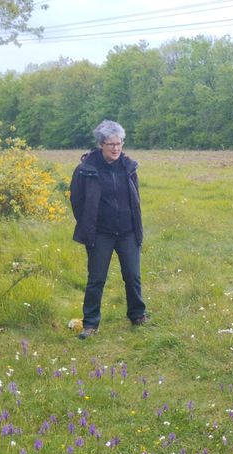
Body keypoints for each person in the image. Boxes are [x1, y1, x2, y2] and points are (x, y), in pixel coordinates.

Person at [69, 119, 149, 340]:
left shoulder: (128, 166)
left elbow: (136, 199)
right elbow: (77, 200)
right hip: (100, 234)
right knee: (96, 279)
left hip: (127, 233)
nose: (116, 148)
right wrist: (88, 226)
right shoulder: (86, 169)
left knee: (133, 275)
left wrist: (136, 228)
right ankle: (90, 323)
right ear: (101, 144)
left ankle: (137, 315)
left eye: (119, 143)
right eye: (111, 144)